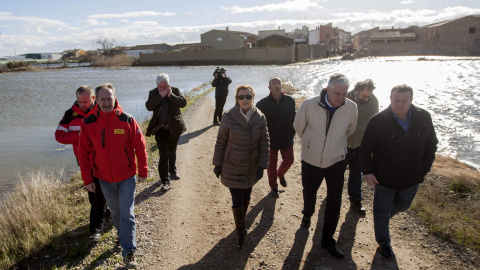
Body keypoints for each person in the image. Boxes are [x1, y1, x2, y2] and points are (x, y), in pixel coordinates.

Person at [360, 84, 438, 259]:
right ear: (390, 99)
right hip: (384, 178)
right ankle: (384, 243)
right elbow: (365, 149)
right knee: (381, 212)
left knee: (403, 205)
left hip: (412, 177)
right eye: (397, 100)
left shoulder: (424, 117)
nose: (400, 104)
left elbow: (431, 145)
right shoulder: (378, 120)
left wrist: (423, 169)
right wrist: (368, 171)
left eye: (404, 100)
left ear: (411, 100)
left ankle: (383, 219)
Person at [78, 83, 148, 269]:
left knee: (127, 213)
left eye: (110, 98)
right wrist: (88, 179)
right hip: (104, 179)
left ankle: (129, 252)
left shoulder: (127, 120)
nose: (107, 102)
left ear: (115, 98)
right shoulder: (89, 122)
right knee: (116, 213)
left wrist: (143, 171)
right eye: (103, 99)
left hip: (126, 176)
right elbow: (83, 153)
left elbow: (140, 146)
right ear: (96, 100)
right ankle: (123, 236)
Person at [293, 73, 357, 259]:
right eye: (337, 93)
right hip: (311, 160)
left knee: (335, 201)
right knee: (309, 191)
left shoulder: (351, 107)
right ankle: (308, 213)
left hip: (336, 160)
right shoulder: (308, 105)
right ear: (328, 90)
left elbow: (350, 129)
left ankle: (328, 240)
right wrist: (311, 144)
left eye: (345, 93)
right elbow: (299, 127)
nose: (341, 97)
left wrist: (334, 145)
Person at [212, 85, 269, 249]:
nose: (245, 99)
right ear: (236, 98)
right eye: (242, 96)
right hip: (232, 166)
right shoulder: (228, 117)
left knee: (246, 197)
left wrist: (262, 166)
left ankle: (240, 222)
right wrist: (217, 164)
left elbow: (264, 143)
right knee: (237, 198)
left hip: (251, 166)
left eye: (248, 96)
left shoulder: (260, 118)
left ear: (253, 98)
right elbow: (221, 141)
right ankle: (240, 232)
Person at [55, 85, 110, 242]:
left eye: (85, 101)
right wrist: (79, 136)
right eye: (80, 101)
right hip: (83, 159)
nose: (82, 105)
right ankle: (106, 214)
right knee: (92, 192)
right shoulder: (70, 114)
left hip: (102, 159)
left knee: (98, 192)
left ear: (93, 98)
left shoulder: (102, 110)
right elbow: (59, 135)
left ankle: (96, 229)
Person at [145, 73, 187, 190]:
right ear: (157, 85)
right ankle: (165, 181)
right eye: (160, 87)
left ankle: (172, 171)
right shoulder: (153, 93)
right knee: (164, 155)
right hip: (160, 129)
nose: (162, 89)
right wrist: (160, 95)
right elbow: (149, 106)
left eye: (164, 87)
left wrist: (171, 95)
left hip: (174, 128)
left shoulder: (175, 90)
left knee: (172, 152)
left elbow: (183, 103)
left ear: (169, 84)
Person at [256, 78, 296, 198]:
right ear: (269, 88)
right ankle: (274, 187)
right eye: (274, 84)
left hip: (287, 138)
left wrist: (293, 131)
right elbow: (258, 124)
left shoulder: (290, 100)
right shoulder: (261, 104)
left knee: (289, 160)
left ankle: (281, 174)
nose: (277, 86)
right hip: (270, 140)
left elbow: (294, 118)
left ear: (282, 86)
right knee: (271, 165)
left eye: (278, 84)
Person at [344, 79, 379, 214]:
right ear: (356, 91)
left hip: (360, 145)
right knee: (336, 174)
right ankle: (332, 197)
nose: (367, 99)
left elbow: (375, 121)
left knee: (356, 175)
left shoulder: (373, 101)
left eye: (369, 96)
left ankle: (356, 201)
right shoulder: (345, 99)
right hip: (344, 144)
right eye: (364, 96)